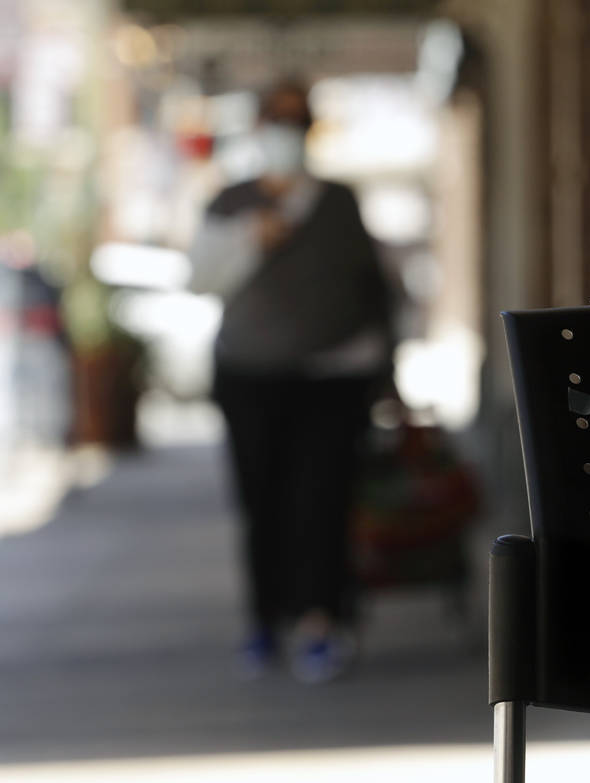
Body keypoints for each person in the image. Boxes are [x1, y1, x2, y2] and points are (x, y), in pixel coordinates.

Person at [189, 79, 395, 683]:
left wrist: (388, 370)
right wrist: (252, 235)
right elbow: (198, 275)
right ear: (257, 128)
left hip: (334, 378)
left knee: (324, 500)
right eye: (276, 119)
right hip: (249, 377)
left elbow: (373, 289)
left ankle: (321, 620)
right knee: (262, 502)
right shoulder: (229, 200)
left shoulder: (337, 202)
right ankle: (264, 620)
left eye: (296, 119)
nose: (286, 130)